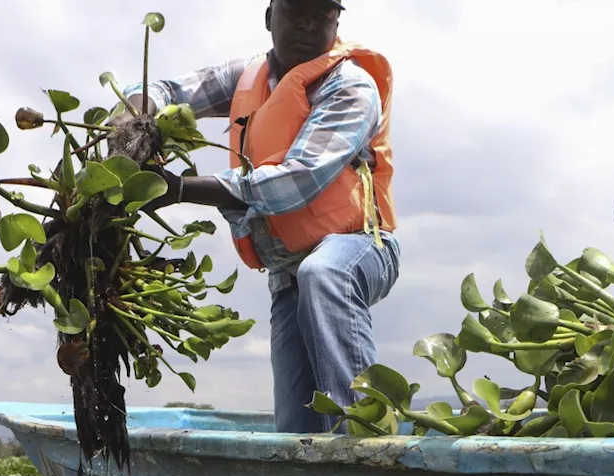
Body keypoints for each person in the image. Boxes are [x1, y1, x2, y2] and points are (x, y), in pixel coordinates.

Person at [114, 0, 401, 434]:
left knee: (324, 274)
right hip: (288, 272)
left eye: (322, 13)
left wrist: (177, 189)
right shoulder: (247, 76)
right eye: (295, 9)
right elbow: (169, 89)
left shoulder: (351, 86)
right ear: (270, 17)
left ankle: (363, 443)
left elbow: (297, 181)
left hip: (359, 249)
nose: (307, 21)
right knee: (295, 429)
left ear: (337, 20)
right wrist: (134, 115)